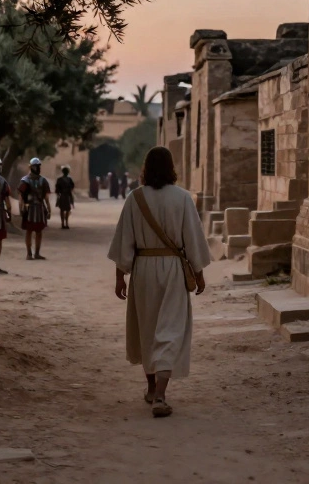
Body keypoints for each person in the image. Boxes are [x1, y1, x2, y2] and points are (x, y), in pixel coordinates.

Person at [108, 146, 211, 418]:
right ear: (170, 168)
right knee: (171, 328)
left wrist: (120, 276)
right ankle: (161, 396)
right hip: (173, 270)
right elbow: (193, 238)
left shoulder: (135, 198)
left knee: (148, 327)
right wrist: (198, 273)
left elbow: (124, 240)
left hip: (143, 269)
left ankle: (152, 388)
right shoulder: (182, 198)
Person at [19, 158, 52, 260]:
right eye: (35, 166)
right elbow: (21, 196)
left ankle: (37, 253)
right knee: (29, 231)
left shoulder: (43, 181)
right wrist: (21, 207)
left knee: (39, 231)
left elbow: (46, 197)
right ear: (31, 167)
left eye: (38, 166)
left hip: (39, 208)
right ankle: (29, 253)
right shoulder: (25, 181)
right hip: (29, 208)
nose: (37, 168)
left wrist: (49, 209)